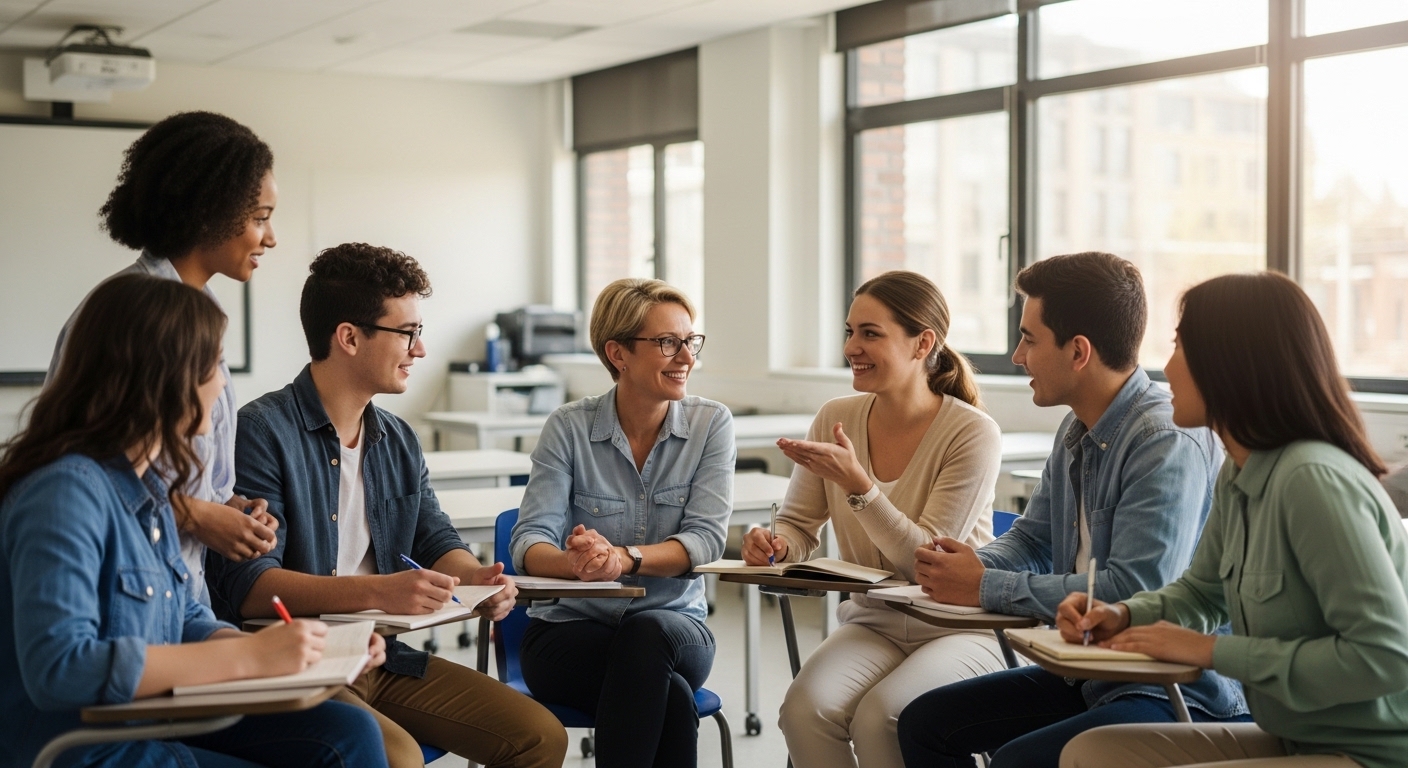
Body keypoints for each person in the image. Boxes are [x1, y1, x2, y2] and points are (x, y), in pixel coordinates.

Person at [0, 275, 388, 768]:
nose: (222, 382)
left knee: (348, 731)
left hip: (150, 720)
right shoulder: (65, 493)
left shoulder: (151, 489)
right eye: (212, 365)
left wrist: (300, 650)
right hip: (86, 747)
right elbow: (60, 667)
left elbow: (182, 617)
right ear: (164, 376)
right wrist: (247, 659)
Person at [206, 244, 567, 768]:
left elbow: (435, 539)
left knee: (539, 736)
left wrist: (477, 579)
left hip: (380, 655)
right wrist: (383, 591)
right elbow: (251, 590)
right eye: (408, 333)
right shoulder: (261, 432)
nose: (420, 350)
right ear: (349, 337)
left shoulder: (396, 437)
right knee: (396, 757)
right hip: (297, 660)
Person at [895, 252, 1248, 768]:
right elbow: (1034, 539)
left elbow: (1136, 589)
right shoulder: (1076, 428)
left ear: (1078, 351)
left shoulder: (1163, 439)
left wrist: (983, 587)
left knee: (1016, 760)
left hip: (1171, 687)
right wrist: (969, 566)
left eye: (1028, 339)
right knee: (924, 724)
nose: (1017, 356)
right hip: (1091, 671)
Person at [1058, 272, 1408, 768]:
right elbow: (1201, 593)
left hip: (1369, 755)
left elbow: (1387, 657)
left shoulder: (1312, 481)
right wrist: (1123, 615)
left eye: (1180, 346)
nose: (1167, 367)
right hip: (1294, 740)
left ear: (1229, 362)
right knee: (1090, 752)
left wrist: (1211, 651)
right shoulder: (1240, 472)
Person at [739, 270, 1005, 768]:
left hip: (960, 628)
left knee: (884, 715)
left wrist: (860, 487)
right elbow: (798, 526)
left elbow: (925, 561)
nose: (851, 348)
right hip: (877, 621)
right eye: (849, 331)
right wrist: (774, 544)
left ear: (922, 343)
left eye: (870, 333)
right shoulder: (835, 415)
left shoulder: (972, 433)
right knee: (804, 710)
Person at [47, 111, 281, 606]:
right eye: (260, 218)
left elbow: (193, 476)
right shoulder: (129, 315)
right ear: (209, 212)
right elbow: (81, 482)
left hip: (182, 596)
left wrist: (230, 510)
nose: (270, 237)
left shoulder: (203, 313)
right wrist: (197, 515)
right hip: (121, 600)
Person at [511, 278, 734, 768]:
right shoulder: (568, 428)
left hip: (677, 630)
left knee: (648, 637)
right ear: (618, 353)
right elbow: (528, 542)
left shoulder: (711, 424)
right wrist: (581, 567)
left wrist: (622, 559)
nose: (686, 357)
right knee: (669, 695)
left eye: (689, 341)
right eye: (667, 343)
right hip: (568, 635)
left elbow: (706, 540)